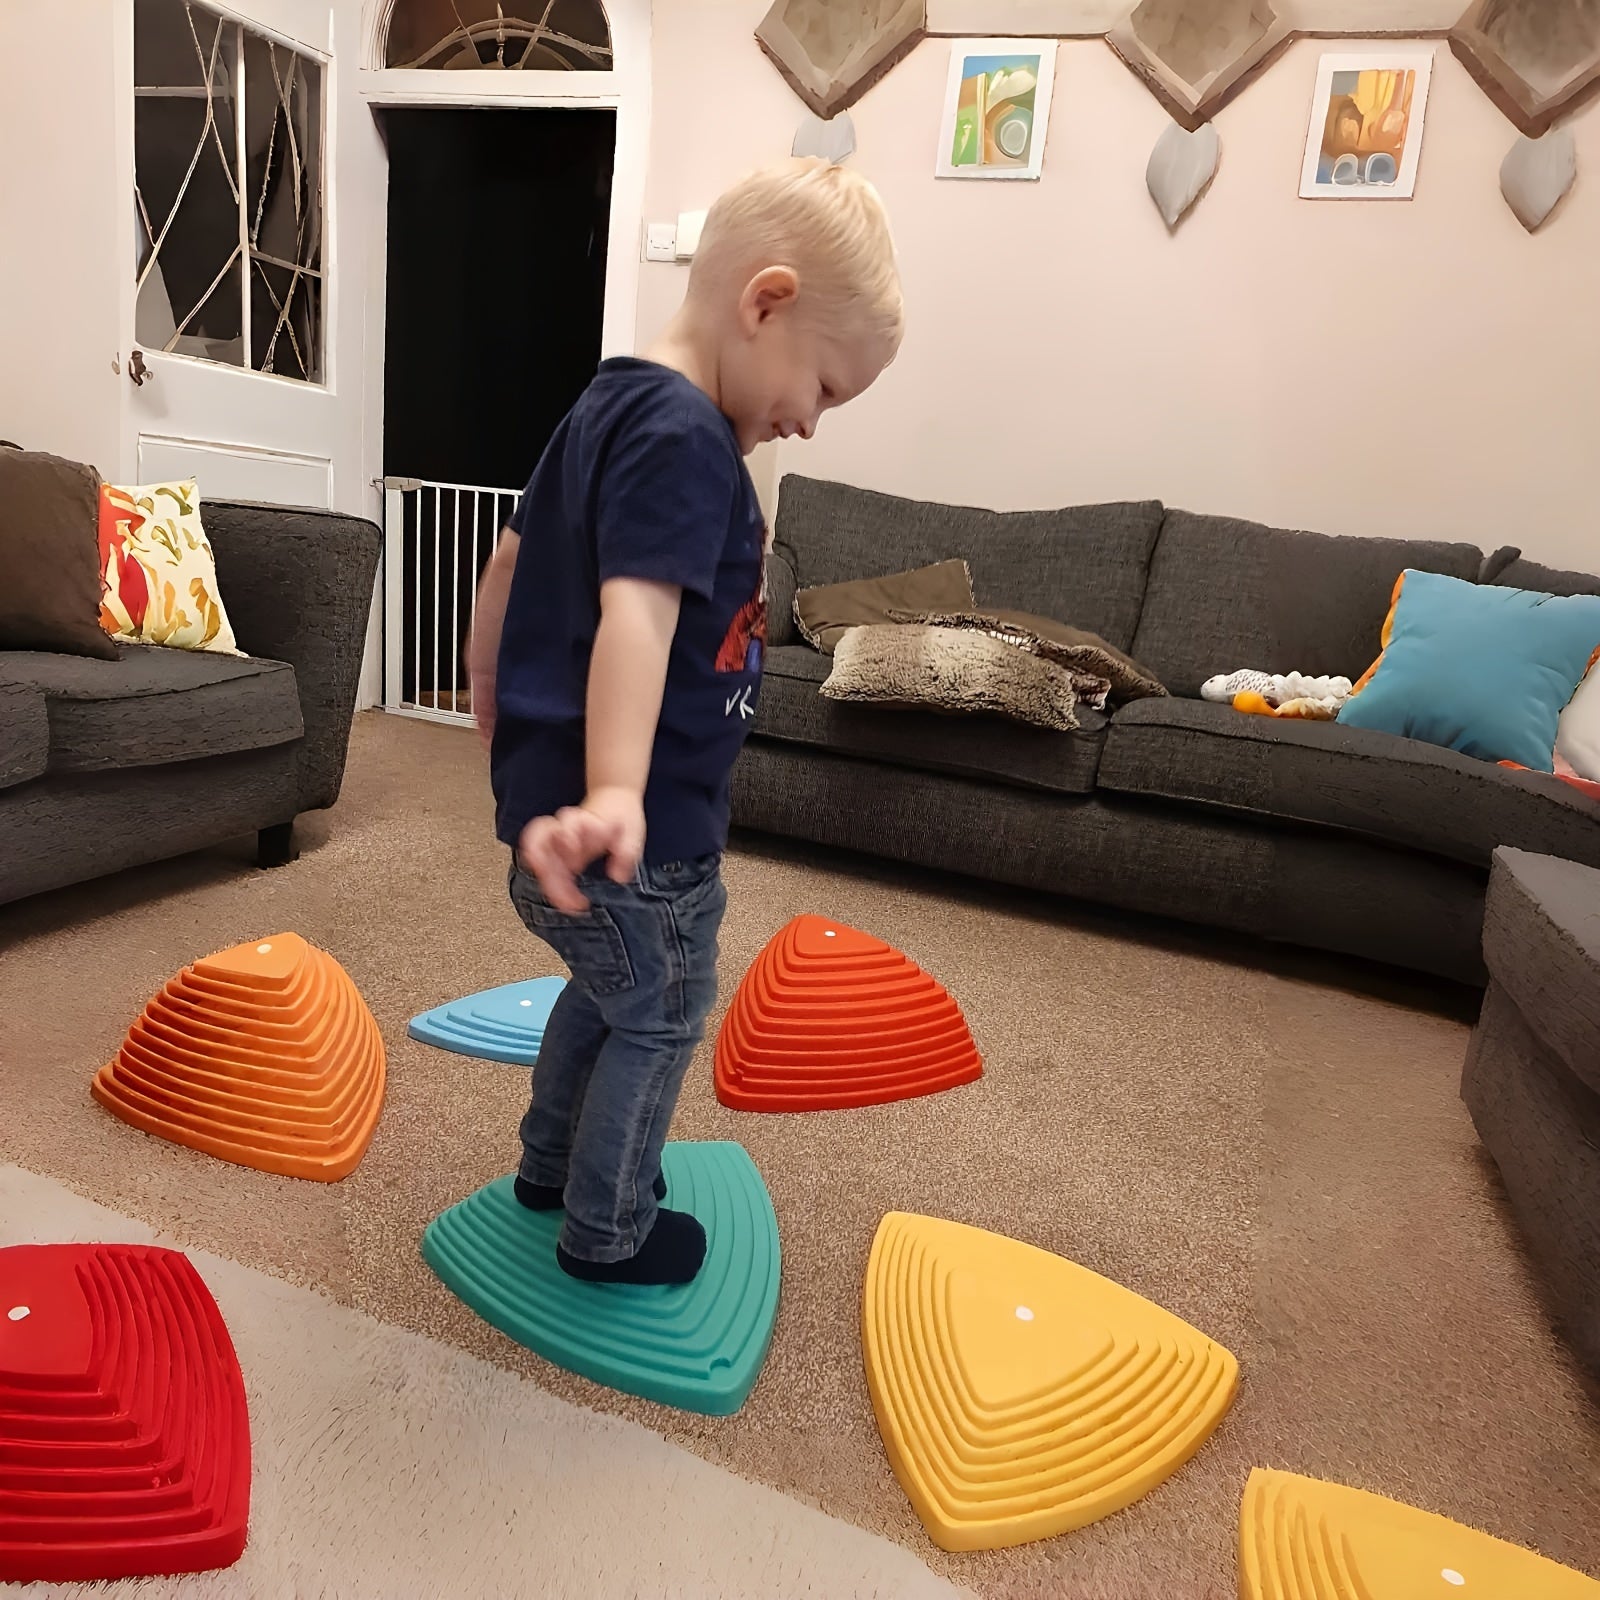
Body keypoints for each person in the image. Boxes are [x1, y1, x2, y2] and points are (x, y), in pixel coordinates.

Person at [465, 159, 904, 1285]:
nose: (811, 424)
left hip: (558, 814)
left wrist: (489, 691)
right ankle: (607, 1229)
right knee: (659, 1013)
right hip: (639, 835)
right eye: (824, 387)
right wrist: (617, 790)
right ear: (765, 303)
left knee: (605, 988)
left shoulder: (604, 403)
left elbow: (508, 559)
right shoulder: (686, 437)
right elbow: (639, 614)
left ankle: (551, 1166)